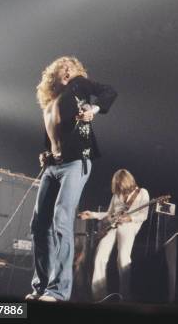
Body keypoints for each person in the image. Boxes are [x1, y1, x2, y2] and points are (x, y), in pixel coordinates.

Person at [28, 56, 117, 302]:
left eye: (72, 68)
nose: (68, 70)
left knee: (62, 218)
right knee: (38, 225)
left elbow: (109, 91)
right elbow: (54, 138)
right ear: (53, 75)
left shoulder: (79, 86)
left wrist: (94, 109)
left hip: (76, 162)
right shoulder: (50, 102)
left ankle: (58, 291)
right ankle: (41, 287)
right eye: (62, 68)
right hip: (53, 167)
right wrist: (47, 153)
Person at [79, 169, 149, 301]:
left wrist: (128, 219)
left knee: (123, 258)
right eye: (117, 184)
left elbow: (143, 215)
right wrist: (92, 214)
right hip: (113, 226)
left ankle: (125, 296)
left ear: (127, 181)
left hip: (129, 226)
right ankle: (98, 295)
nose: (119, 187)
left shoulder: (142, 192)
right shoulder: (116, 195)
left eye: (120, 183)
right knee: (100, 256)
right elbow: (109, 214)